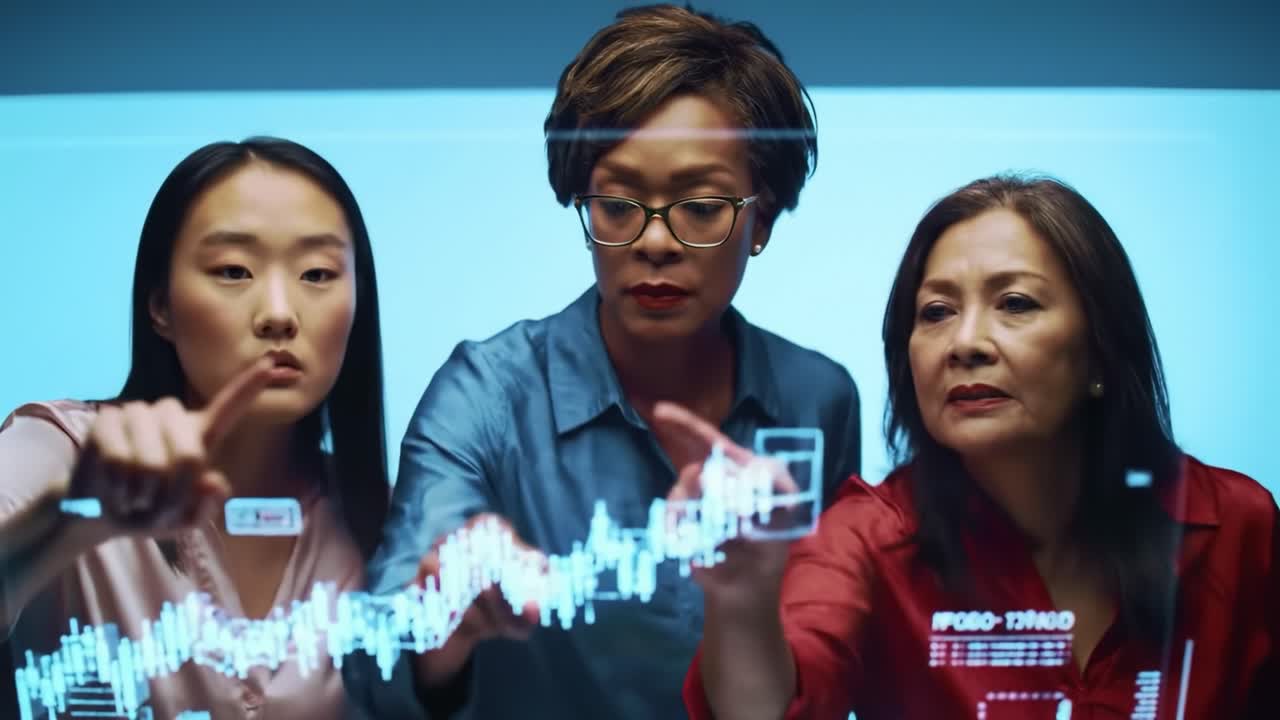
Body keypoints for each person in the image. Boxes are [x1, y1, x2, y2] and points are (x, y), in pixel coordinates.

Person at [341, 5, 861, 718]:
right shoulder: (487, 393)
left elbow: (819, 668)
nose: (655, 242)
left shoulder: (817, 398)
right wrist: (442, 618)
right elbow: (374, 668)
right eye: (618, 204)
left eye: (701, 207)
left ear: (762, 219)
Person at [673, 174, 1279, 719]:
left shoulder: (1236, 526)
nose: (964, 342)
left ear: (1100, 348)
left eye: (1015, 304)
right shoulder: (869, 538)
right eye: (935, 312)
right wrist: (743, 604)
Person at [0, 137, 390, 720]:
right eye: (234, 270)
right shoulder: (59, 450)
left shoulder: (382, 520)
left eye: (317, 273)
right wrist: (67, 519)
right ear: (160, 304)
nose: (279, 312)